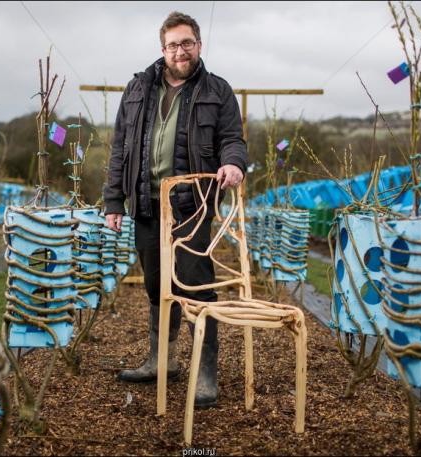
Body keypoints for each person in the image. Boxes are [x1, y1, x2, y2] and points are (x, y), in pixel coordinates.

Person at [103, 11, 247, 409]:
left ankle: (205, 374)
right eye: (172, 45)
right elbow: (120, 149)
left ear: (198, 45)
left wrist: (233, 163)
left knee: (195, 286)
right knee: (156, 286)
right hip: (146, 204)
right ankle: (160, 361)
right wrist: (114, 200)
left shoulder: (218, 91)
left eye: (187, 43)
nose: (179, 51)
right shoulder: (136, 89)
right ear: (162, 48)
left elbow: (232, 139)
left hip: (192, 205)